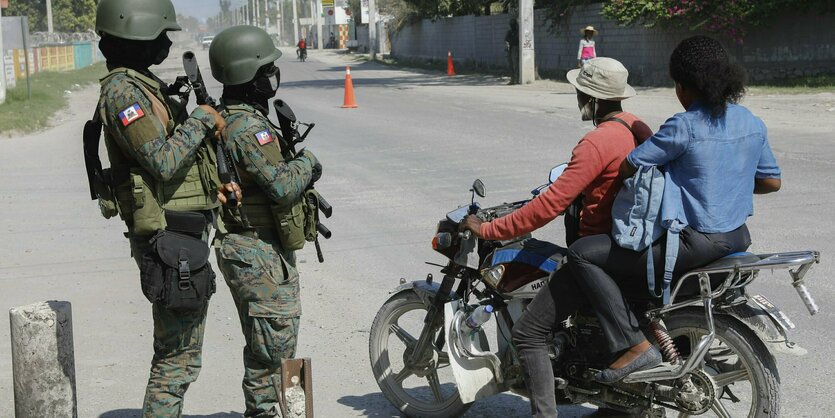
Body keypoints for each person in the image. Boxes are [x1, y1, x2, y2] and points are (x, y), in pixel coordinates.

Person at [567, 35, 782, 385]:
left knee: (583, 254)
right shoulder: (751, 122)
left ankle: (632, 347)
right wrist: (727, 180)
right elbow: (772, 182)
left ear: (682, 86)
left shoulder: (683, 126)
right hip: (737, 237)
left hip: (694, 243)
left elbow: (629, 166)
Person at [462, 57, 652, 418]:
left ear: (591, 98)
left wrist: (489, 229)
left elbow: (549, 205)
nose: (577, 97)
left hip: (597, 252)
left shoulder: (597, 141)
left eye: (580, 92)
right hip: (631, 247)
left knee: (529, 334)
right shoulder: (636, 127)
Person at [93, 0, 236, 416]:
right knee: (177, 358)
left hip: (181, 230)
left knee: (182, 354)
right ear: (136, 36)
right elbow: (163, 159)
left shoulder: (140, 83)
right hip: (167, 237)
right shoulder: (122, 93)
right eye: (160, 35)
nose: (166, 43)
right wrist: (203, 120)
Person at [208, 25, 323, 417]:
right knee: (274, 347)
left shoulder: (231, 118)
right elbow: (281, 186)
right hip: (257, 250)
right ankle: (270, 413)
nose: (272, 77)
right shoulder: (247, 127)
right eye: (266, 69)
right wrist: (308, 162)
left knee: (268, 345)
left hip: (251, 248)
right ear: (247, 75)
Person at [505, 18, 519, 85]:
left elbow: (516, 40)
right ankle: (512, 79)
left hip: (515, 48)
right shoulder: (510, 32)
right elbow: (506, 39)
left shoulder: (518, 32)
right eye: (511, 24)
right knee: (510, 65)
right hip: (510, 49)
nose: (512, 25)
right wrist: (508, 44)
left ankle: (516, 79)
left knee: (515, 65)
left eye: (513, 24)